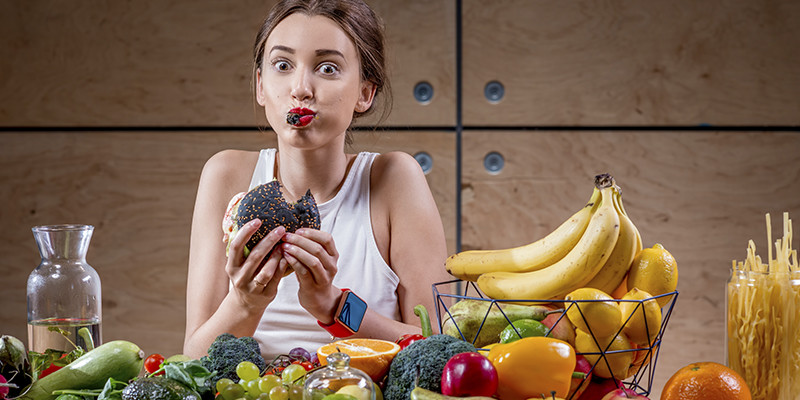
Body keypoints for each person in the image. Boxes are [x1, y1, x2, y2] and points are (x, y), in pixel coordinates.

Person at [183, 0, 450, 359]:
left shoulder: (394, 179)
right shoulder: (227, 175)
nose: (300, 88)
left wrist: (333, 306)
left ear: (365, 93)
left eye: (327, 68)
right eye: (282, 65)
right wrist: (245, 303)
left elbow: (437, 348)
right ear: (260, 86)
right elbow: (193, 357)